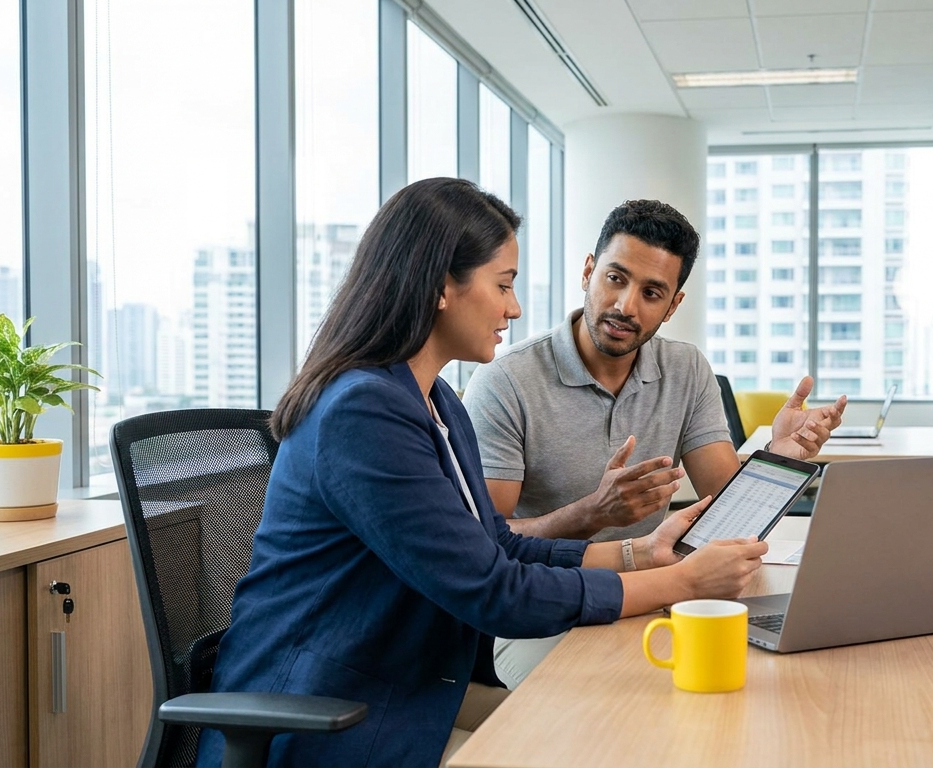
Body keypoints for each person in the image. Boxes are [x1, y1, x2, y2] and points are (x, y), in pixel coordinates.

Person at [195, 179, 767, 768]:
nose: (513, 308)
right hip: (327, 715)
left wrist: (642, 555)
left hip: (406, 686)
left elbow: (494, 546)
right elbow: (495, 593)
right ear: (443, 286)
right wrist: (685, 584)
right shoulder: (361, 412)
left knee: (623, 731)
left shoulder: (436, 401)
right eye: (503, 285)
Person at [463, 199, 847, 686]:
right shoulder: (506, 382)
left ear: (673, 305)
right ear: (588, 271)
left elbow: (725, 509)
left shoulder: (686, 370)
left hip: (656, 590)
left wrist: (779, 457)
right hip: (545, 607)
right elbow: (490, 547)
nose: (626, 306)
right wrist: (593, 513)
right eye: (615, 278)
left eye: (652, 292)